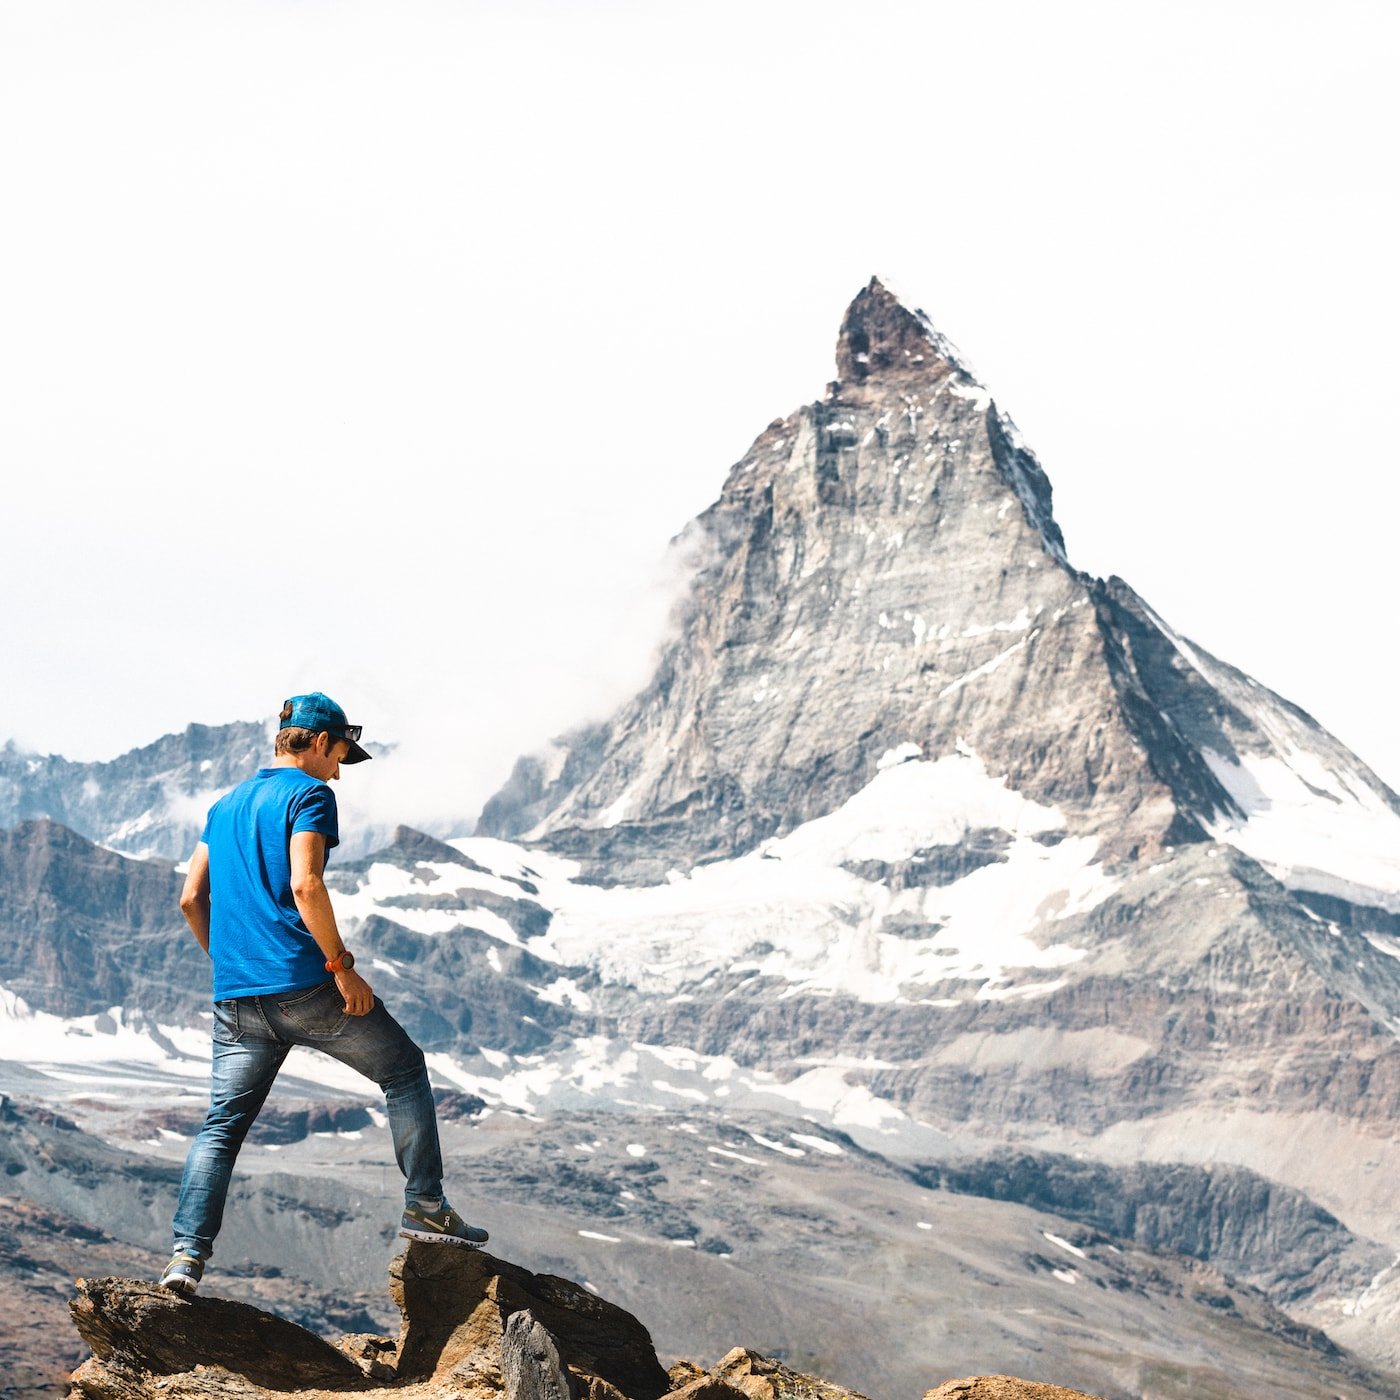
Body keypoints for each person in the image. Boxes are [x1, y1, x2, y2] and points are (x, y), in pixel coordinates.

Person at [159, 691, 487, 1296]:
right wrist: (340, 967)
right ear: (315, 741)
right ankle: (425, 1207)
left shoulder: (223, 806)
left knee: (220, 1128)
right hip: (305, 985)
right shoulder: (311, 795)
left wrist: (229, 962)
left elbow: (189, 900)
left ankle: (185, 1258)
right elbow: (306, 883)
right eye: (340, 753)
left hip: (236, 998)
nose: (340, 769)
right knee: (405, 1071)